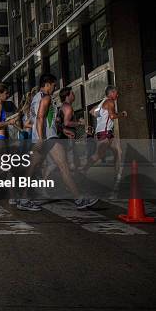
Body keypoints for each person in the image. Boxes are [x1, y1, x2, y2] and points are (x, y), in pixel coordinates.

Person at [18, 74, 97, 211]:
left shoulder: (36, 99)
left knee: (31, 169)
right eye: (54, 85)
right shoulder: (46, 98)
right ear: (47, 84)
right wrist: (42, 139)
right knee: (63, 167)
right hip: (48, 139)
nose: (55, 88)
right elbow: (41, 119)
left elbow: (35, 120)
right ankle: (79, 199)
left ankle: (22, 199)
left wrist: (61, 130)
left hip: (42, 137)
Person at [81, 85, 127, 189]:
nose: (117, 95)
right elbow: (112, 116)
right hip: (104, 133)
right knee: (98, 155)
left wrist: (100, 117)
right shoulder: (110, 102)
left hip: (106, 132)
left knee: (118, 151)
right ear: (111, 93)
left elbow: (91, 111)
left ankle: (117, 177)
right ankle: (82, 171)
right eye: (116, 93)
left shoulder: (103, 102)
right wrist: (122, 114)